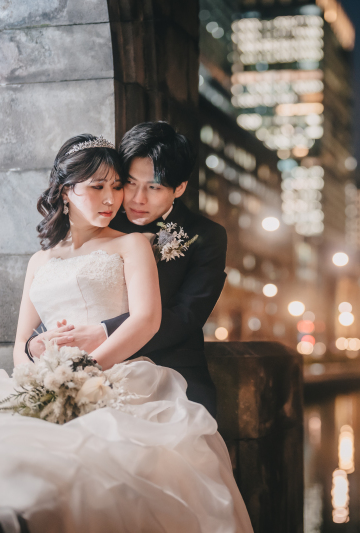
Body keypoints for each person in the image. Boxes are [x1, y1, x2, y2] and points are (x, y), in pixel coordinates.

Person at [0, 134, 253, 533]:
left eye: (120, 186)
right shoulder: (42, 257)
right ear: (66, 191)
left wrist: (87, 363)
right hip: (50, 376)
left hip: (136, 374)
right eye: (115, 185)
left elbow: (163, 317)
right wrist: (34, 359)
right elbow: (25, 339)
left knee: (113, 468)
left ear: (178, 188)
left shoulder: (142, 242)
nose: (120, 198)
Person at [26, 122, 225, 418]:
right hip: (76, 368)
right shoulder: (101, 218)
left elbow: (187, 314)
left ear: (180, 187)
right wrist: (40, 346)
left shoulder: (206, 235)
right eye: (129, 183)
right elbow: (66, 291)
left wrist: (103, 333)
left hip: (169, 370)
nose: (137, 198)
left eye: (154, 187)